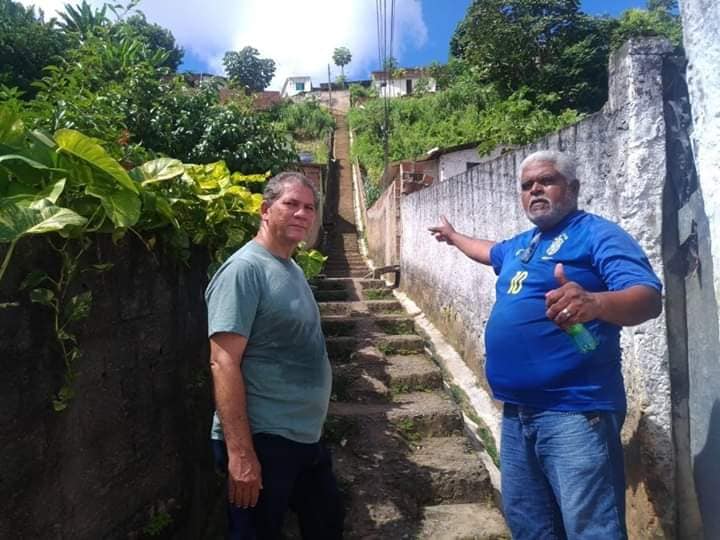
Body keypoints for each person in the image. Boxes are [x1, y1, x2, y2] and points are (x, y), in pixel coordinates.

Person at [429, 150, 662, 539]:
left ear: (572, 188)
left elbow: (649, 297)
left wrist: (594, 303)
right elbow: (489, 251)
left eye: (547, 180)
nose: (535, 189)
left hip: (575, 411)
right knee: (530, 525)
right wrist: (453, 238)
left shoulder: (596, 234)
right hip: (517, 412)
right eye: (526, 185)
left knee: (590, 529)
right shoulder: (524, 244)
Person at [206, 171, 343, 539]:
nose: (302, 213)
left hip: (303, 438)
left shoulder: (290, 266)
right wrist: (241, 454)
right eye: (291, 204)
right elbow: (223, 361)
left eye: (309, 207)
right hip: (264, 439)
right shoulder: (244, 271)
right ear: (266, 210)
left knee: (327, 522)